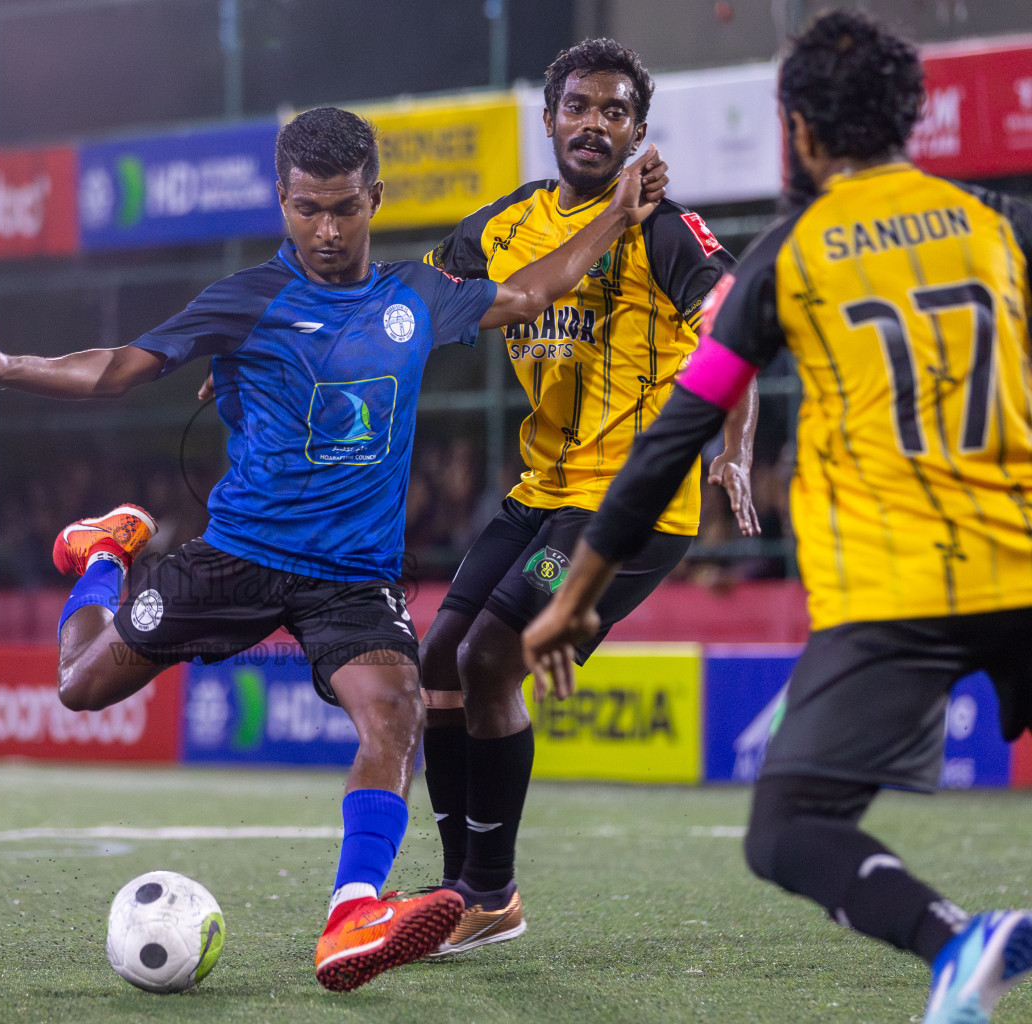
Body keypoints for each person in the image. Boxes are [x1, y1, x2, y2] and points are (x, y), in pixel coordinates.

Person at [0, 106, 667, 992]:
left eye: (345, 209)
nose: (326, 231)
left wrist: (618, 212)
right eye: (306, 209)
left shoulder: (418, 296)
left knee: (396, 712)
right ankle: (104, 551)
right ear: (281, 201)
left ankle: (352, 910)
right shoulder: (246, 300)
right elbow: (119, 368)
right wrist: (8, 366)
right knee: (78, 686)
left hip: (352, 581)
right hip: (236, 556)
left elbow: (536, 290)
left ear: (375, 199)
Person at [521, 15, 1032, 1023]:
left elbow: (674, 437)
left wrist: (576, 595)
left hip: (895, 596)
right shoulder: (1000, 221)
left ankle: (954, 940)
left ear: (797, 130)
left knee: (790, 828)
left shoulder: (783, 259)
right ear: (910, 118)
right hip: (1022, 565)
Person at [415, 37, 760, 954]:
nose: (594, 124)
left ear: (639, 134)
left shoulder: (666, 230)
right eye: (580, 107)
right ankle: (461, 892)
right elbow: (406, 304)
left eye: (615, 112)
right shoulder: (499, 228)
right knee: (440, 656)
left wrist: (735, 438)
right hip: (541, 492)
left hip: (629, 506)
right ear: (550, 119)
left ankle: (493, 892)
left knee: (494, 653)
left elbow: (733, 324)